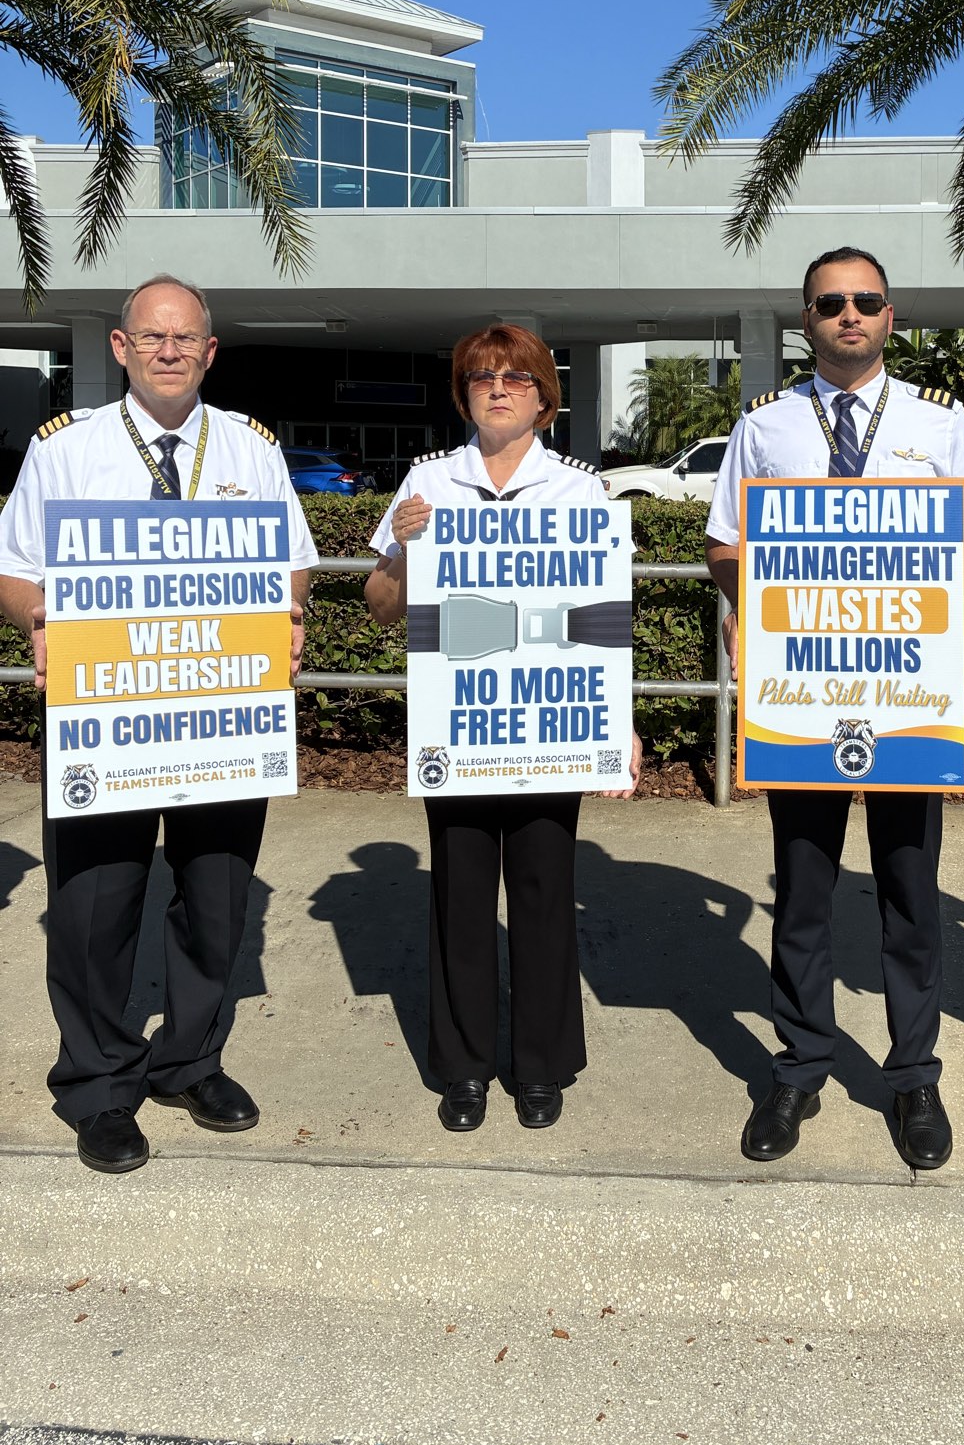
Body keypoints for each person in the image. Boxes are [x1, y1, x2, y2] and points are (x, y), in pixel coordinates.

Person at [0, 274, 317, 1175]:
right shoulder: (66, 449)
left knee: (217, 901)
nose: (169, 351)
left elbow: (292, 562)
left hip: (222, 713)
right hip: (109, 715)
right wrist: (36, 621)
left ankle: (189, 1061)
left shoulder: (251, 448)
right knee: (94, 907)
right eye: (152, 336)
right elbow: (14, 568)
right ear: (121, 347)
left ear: (209, 351)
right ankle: (98, 1084)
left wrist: (289, 614)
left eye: (185, 338)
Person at [706, 247, 964, 1170]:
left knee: (910, 893)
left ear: (889, 315)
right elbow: (726, 542)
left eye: (866, 300)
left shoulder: (940, 420)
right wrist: (747, 608)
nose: (850, 314)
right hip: (803, 692)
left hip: (906, 694)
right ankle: (800, 1065)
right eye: (831, 302)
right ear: (807, 319)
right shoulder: (764, 425)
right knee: (801, 892)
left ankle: (913, 1074)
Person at [365, 324, 641, 1135]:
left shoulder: (580, 490)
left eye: (516, 377)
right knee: (459, 893)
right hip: (460, 722)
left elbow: (604, 618)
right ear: (463, 394)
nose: (497, 387)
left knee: (545, 891)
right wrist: (401, 552)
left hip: (549, 720)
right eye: (481, 375)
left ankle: (542, 1063)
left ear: (545, 398)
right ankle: (465, 1066)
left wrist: (617, 724)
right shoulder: (427, 482)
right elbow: (380, 607)